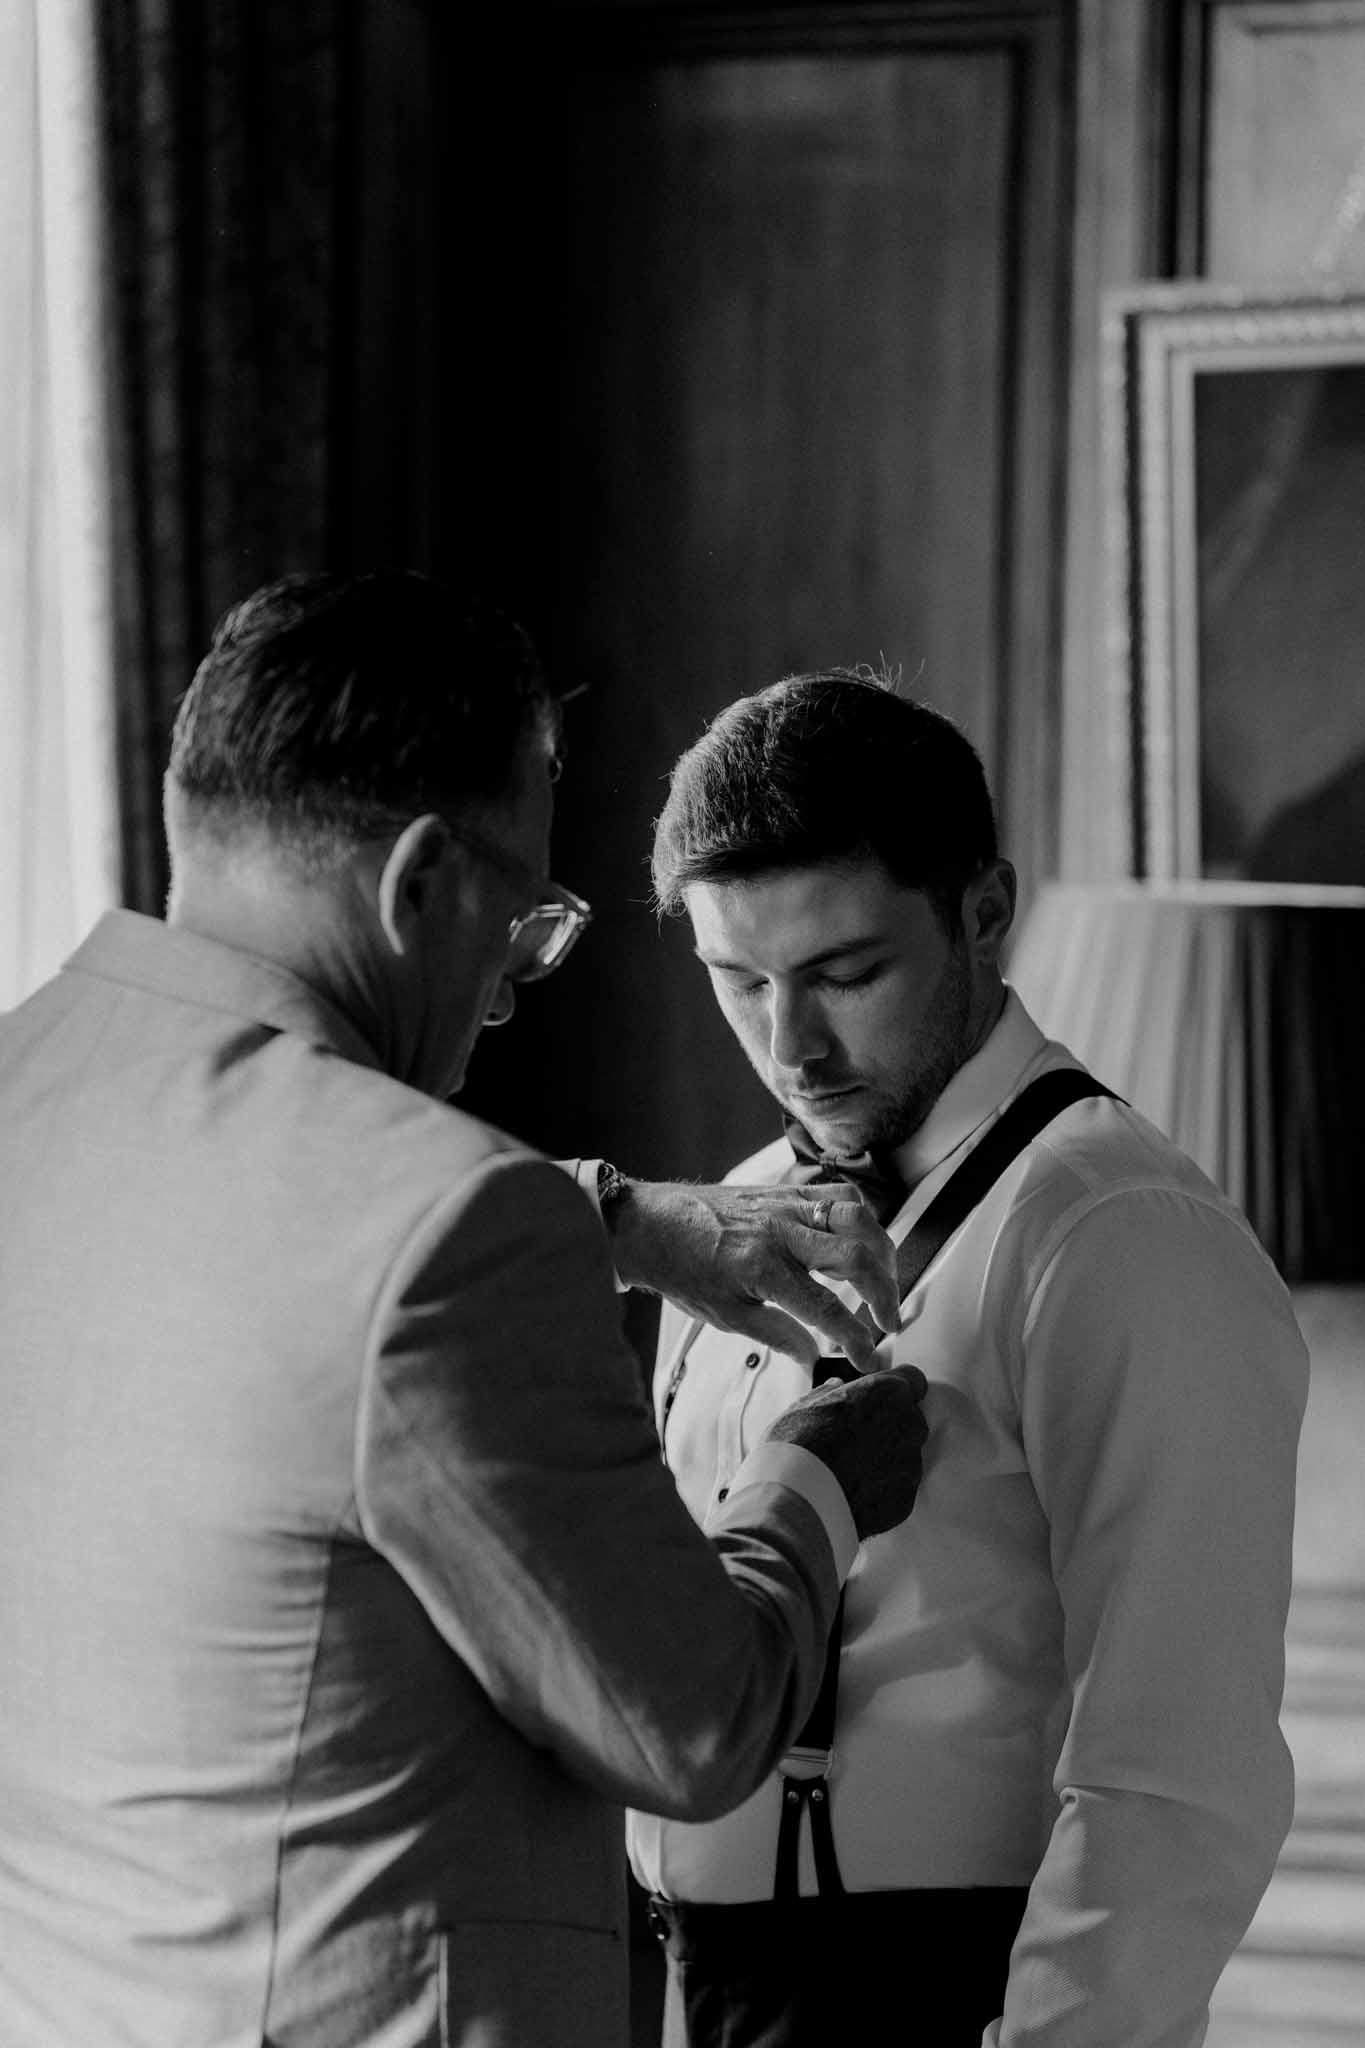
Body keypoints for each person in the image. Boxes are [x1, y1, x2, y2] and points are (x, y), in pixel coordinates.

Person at [0, 577, 931, 2048]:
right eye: (524, 921)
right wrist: (813, 1479)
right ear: (422, 883)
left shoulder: (34, 1093)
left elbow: (229, 1236)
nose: (507, 992)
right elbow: (689, 1726)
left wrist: (620, 1218)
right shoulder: (451, 1225)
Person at [630, 669, 1310, 2048]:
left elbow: (1176, 1774)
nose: (789, 1044)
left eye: (845, 974)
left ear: (986, 913)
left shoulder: (1120, 1234)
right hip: (689, 1986)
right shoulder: (724, 1222)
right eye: (736, 980)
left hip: (950, 1997)